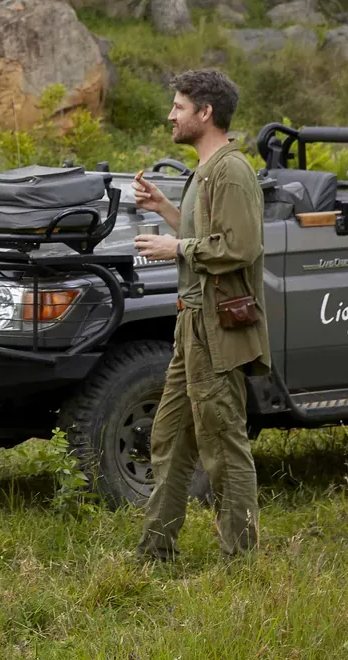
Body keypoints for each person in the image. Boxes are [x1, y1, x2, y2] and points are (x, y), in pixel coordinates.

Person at [130, 69, 269, 561]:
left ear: (205, 113)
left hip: (215, 326)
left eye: (179, 106)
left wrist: (176, 247)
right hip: (191, 324)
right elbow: (207, 234)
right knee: (168, 436)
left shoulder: (231, 170)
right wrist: (168, 209)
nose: (171, 114)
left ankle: (241, 559)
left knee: (223, 444)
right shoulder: (205, 169)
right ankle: (156, 551)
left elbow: (240, 246)